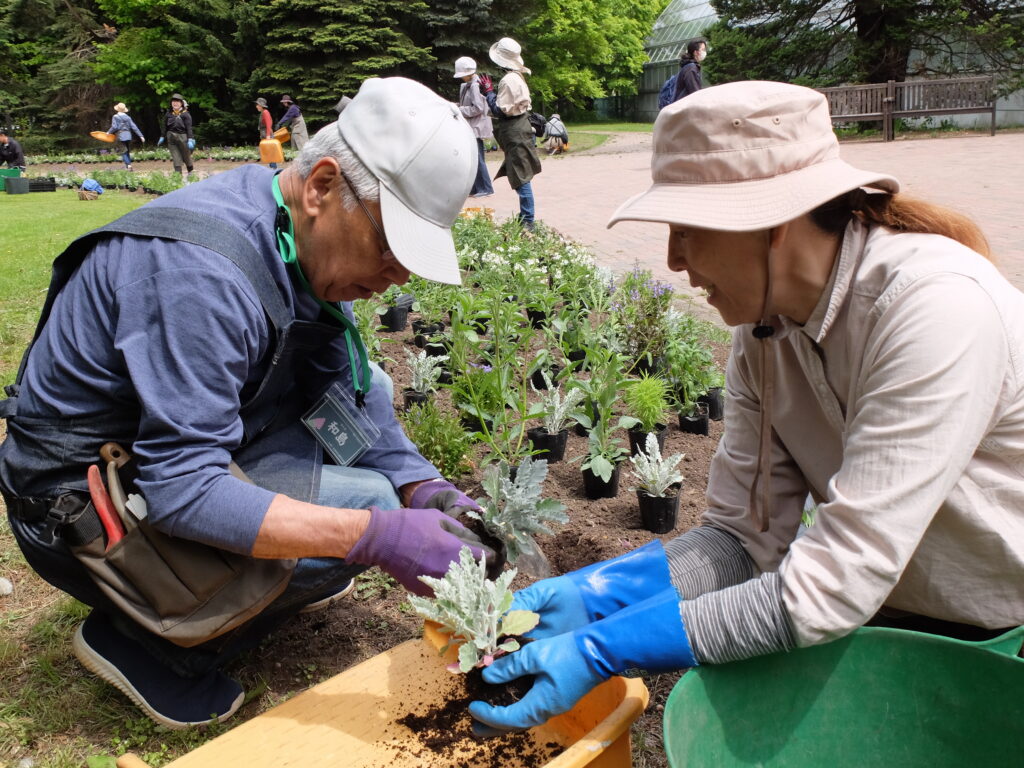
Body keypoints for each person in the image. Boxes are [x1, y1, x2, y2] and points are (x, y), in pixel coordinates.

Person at [468, 80, 1024, 735]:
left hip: (996, 631)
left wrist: (604, 649)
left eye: (689, 229)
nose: (673, 259)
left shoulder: (933, 310)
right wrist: (597, 595)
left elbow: (834, 582)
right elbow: (744, 539)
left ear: (776, 223)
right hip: (888, 609)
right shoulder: (765, 333)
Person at [0, 77, 492, 730]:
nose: (398, 274)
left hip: (147, 451)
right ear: (321, 186)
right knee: (361, 507)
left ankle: (275, 573)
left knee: (367, 393)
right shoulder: (200, 275)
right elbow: (183, 489)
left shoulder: (293, 229)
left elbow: (337, 392)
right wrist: (379, 535)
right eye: (391, 245)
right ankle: (147, 647)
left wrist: (421, 486)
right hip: (78, 499)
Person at [478, 37, 542, 229]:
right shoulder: (517, 77)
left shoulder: (508, 80)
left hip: (515, 130)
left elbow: (500, 110)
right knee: (520, 174)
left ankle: (528, 221)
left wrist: (488, 92)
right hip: (519, 129)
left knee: (521, 177)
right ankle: (526, 217)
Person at [454, 56, 494, 198]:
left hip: (476, 127)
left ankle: (486, 188)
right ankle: (477, 187)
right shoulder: (469, 85)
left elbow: (477, 108)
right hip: (472, 126)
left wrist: (459, 110)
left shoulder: (475, 85)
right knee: (474, 158)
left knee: (477, 158)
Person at [157, 93, 195, 183]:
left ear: (181, 103)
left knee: (186, 156)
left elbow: (189, 128)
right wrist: (162, 136)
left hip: (183, 137)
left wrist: (190, 139)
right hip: (171, 138)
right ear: (171, 103)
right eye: (173, 101)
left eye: (177, 101)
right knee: (175, 157)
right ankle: (178, 178)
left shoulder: (186, 115)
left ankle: (190, 172)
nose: (175, 103)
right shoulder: (168, 114)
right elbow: (164, 126)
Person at [108, 102, 144, 171]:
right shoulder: (128, 117)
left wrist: (108, 132)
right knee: (127, 151)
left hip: (120, 136)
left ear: (117, 109)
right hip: (128, 136)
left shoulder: (115, 117)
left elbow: (114, 127)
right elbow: (134, 127)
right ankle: (128, 166)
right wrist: (141, 136)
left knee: (123, 152)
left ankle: (129, 166)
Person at [670, 38, 706, 104]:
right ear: (695, 52)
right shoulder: (691, 69)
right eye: (703, 50)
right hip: (682, 109)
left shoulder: (689, 67)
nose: (705, 52)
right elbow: (695, 93)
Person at [255, 96, 278, 170]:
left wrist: (268, 136)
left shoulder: (265, 112)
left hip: (267, 135)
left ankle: (273, 168)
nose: (256, 106)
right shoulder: (263, 112)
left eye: (257, 105)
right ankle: (272, 167)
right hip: (265, 134)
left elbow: (269, 124)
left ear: (261, 106)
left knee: (270, 152)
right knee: (268, 152)